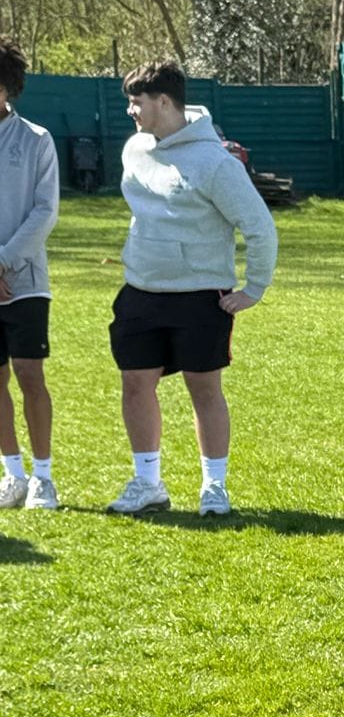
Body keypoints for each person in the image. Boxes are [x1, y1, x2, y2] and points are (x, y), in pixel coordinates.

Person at [107, 58, 277, 517]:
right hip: (141, 291)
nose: (130, 111)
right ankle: (148, 484)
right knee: (135, 385)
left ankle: (214, 487)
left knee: (204, 389)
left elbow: (259, 227)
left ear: (164, 101)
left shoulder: (215, 162)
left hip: (201, 295)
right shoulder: (134, 150)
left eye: (136, 102)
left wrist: (254, 288)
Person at [0, 37, 61, 511]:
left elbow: (45, 212)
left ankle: (43, 478)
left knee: (29, 374)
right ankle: (13, 475)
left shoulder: (37, 139)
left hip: (25, 281)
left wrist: (3, 261)